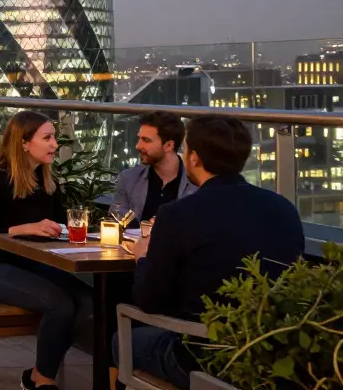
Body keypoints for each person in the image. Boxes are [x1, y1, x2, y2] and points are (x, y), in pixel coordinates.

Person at [113, 116, 304, 388]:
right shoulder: (283, 208)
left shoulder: (178, 215)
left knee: (122, 339)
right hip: (271, 350)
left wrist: (143, 256)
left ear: (194, 158)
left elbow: (149, 300)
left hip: (201, 354)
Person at [0, 110, 92, 390]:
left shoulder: (48, 181)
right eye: (47, 138)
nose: (54, 145)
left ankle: (37, 374)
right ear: (24, 142)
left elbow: (60, 224)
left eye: (54, 138)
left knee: (88, 301)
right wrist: (26, 228)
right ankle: (43, 382)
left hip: (35, 265)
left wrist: (60, 229)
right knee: (60, 305)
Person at [111, 111, 196, 225]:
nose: (138, 146)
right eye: (139, 139)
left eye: (146, 140)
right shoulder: (128, 179)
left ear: (169, 146)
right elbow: (117, 215)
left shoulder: (196, 184)